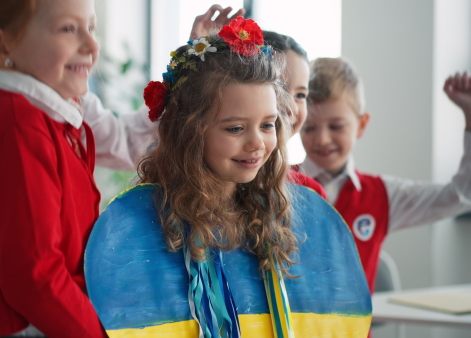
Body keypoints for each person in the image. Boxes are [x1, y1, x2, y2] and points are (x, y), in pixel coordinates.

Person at [0, 4, 242, 336]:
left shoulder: (57, 93)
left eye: (90, 28)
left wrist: (187, 71)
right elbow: (35, 277)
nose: (92, 46)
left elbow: (127, 140)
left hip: (38, 316)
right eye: (69, 28)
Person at [85, 18, 372, 337]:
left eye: (267, 125)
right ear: (190, 132)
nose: (257, 144)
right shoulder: (141, 227)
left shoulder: (290, 215)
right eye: (235, 128)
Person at [299, 57, 471, 292]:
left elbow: (461, 196)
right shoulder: (278, 184)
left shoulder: (382, 194)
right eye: (309, 127)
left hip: (357, 330)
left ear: (361, 125)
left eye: (336, 126)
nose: (322, 139)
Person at [262, 31, 326, 198]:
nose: (291, 107)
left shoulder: (311, 193)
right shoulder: (213, 185)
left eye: (300, 95)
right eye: (278, 89)